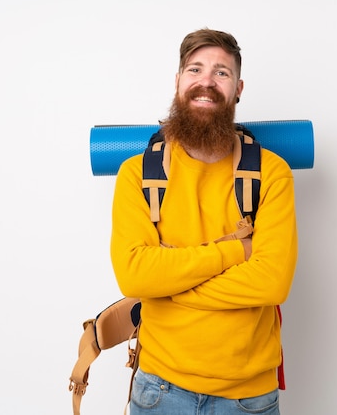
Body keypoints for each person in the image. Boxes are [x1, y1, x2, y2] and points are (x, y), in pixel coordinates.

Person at [110, 28, 298, 415]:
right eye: (194, 69)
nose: (207, 82)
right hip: (159, 390)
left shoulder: (270, 174)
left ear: (238, 88)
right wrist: (236, 251)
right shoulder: (137, 174)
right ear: (178, 81)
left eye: (222, 73)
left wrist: (169, 285)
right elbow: (134, 276)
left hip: (248, 398)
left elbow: (272, 281)